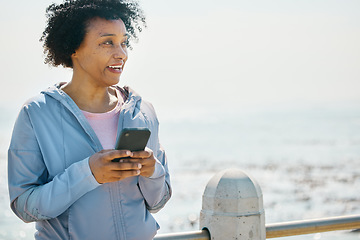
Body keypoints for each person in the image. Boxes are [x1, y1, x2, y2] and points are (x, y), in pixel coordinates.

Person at [7, 0, 171, 239]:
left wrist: (152, 172)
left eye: (123, 42)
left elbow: (158, 201)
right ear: (74, 47)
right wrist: (87, 174)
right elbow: (24, 206)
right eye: (107, 42)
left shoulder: (143, 111)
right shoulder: (36, 113)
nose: (121, 53)